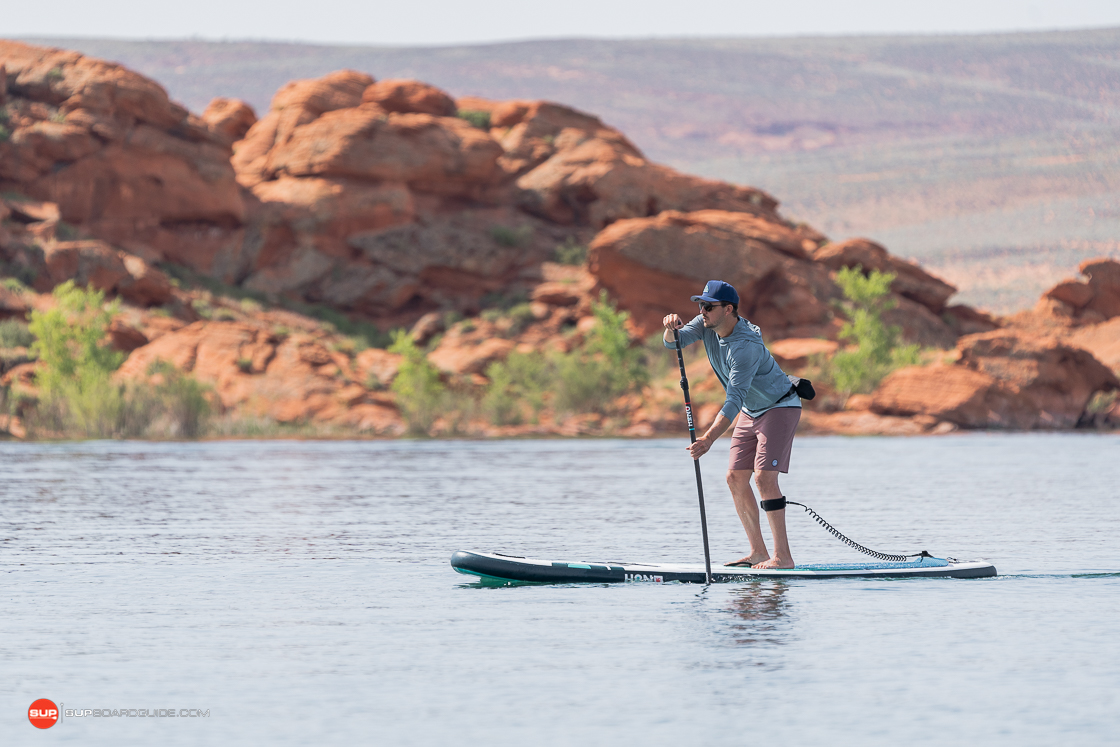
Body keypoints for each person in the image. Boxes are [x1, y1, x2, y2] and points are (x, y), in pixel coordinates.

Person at [662, 280, 802, 569]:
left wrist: (709, 439)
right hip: (752, 410)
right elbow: (672, 341)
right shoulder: (707, 324)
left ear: (728, 310)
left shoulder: (745, 347)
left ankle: (783, 558)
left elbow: (733, 400)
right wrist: (670, 326)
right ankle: (758, 553)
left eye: (708, 307)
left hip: (779, 407)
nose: (702, 311)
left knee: (764, 478)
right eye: (700, 305)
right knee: (735, 478)